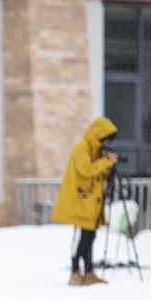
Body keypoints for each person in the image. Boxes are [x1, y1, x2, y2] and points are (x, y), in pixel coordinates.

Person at [51, 117, 119, 286]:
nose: (107, 143)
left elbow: (94, 173)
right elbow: (86, 169)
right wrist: (106, 162)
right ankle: (75, 272)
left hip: (89, 202)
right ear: (98, 136)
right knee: (82, 237)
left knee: (90, 236)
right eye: (105, 139)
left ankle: (88, 271)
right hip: (80, 201)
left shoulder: (94, 150)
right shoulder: (82, 147)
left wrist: (108, 174)